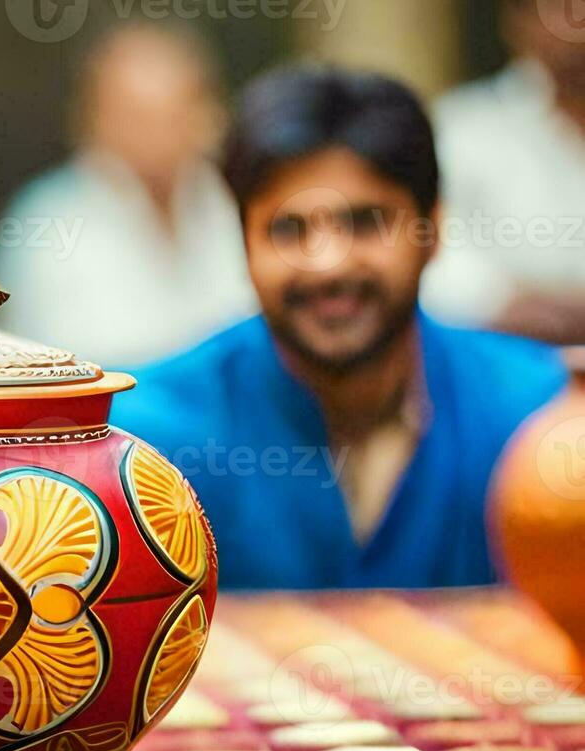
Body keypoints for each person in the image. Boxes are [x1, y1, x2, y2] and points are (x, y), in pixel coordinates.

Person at [110, 66, 567, 590]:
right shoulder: (147, 448)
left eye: (366, 223)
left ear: (433, 229)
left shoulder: (539, 423)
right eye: (288, 228)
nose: (327, 265)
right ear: (244, 245)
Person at [0, 24, 254, 368]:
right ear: (91, 117)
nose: (160, 135)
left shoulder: (232, 205)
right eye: (138, 116)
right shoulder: (45, 221)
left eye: (175, 113)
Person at [422, 0, 585, 343]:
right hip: (511, 370)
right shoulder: (464, 128)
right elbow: (435, 259)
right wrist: (510, 303)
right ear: (516, 20)